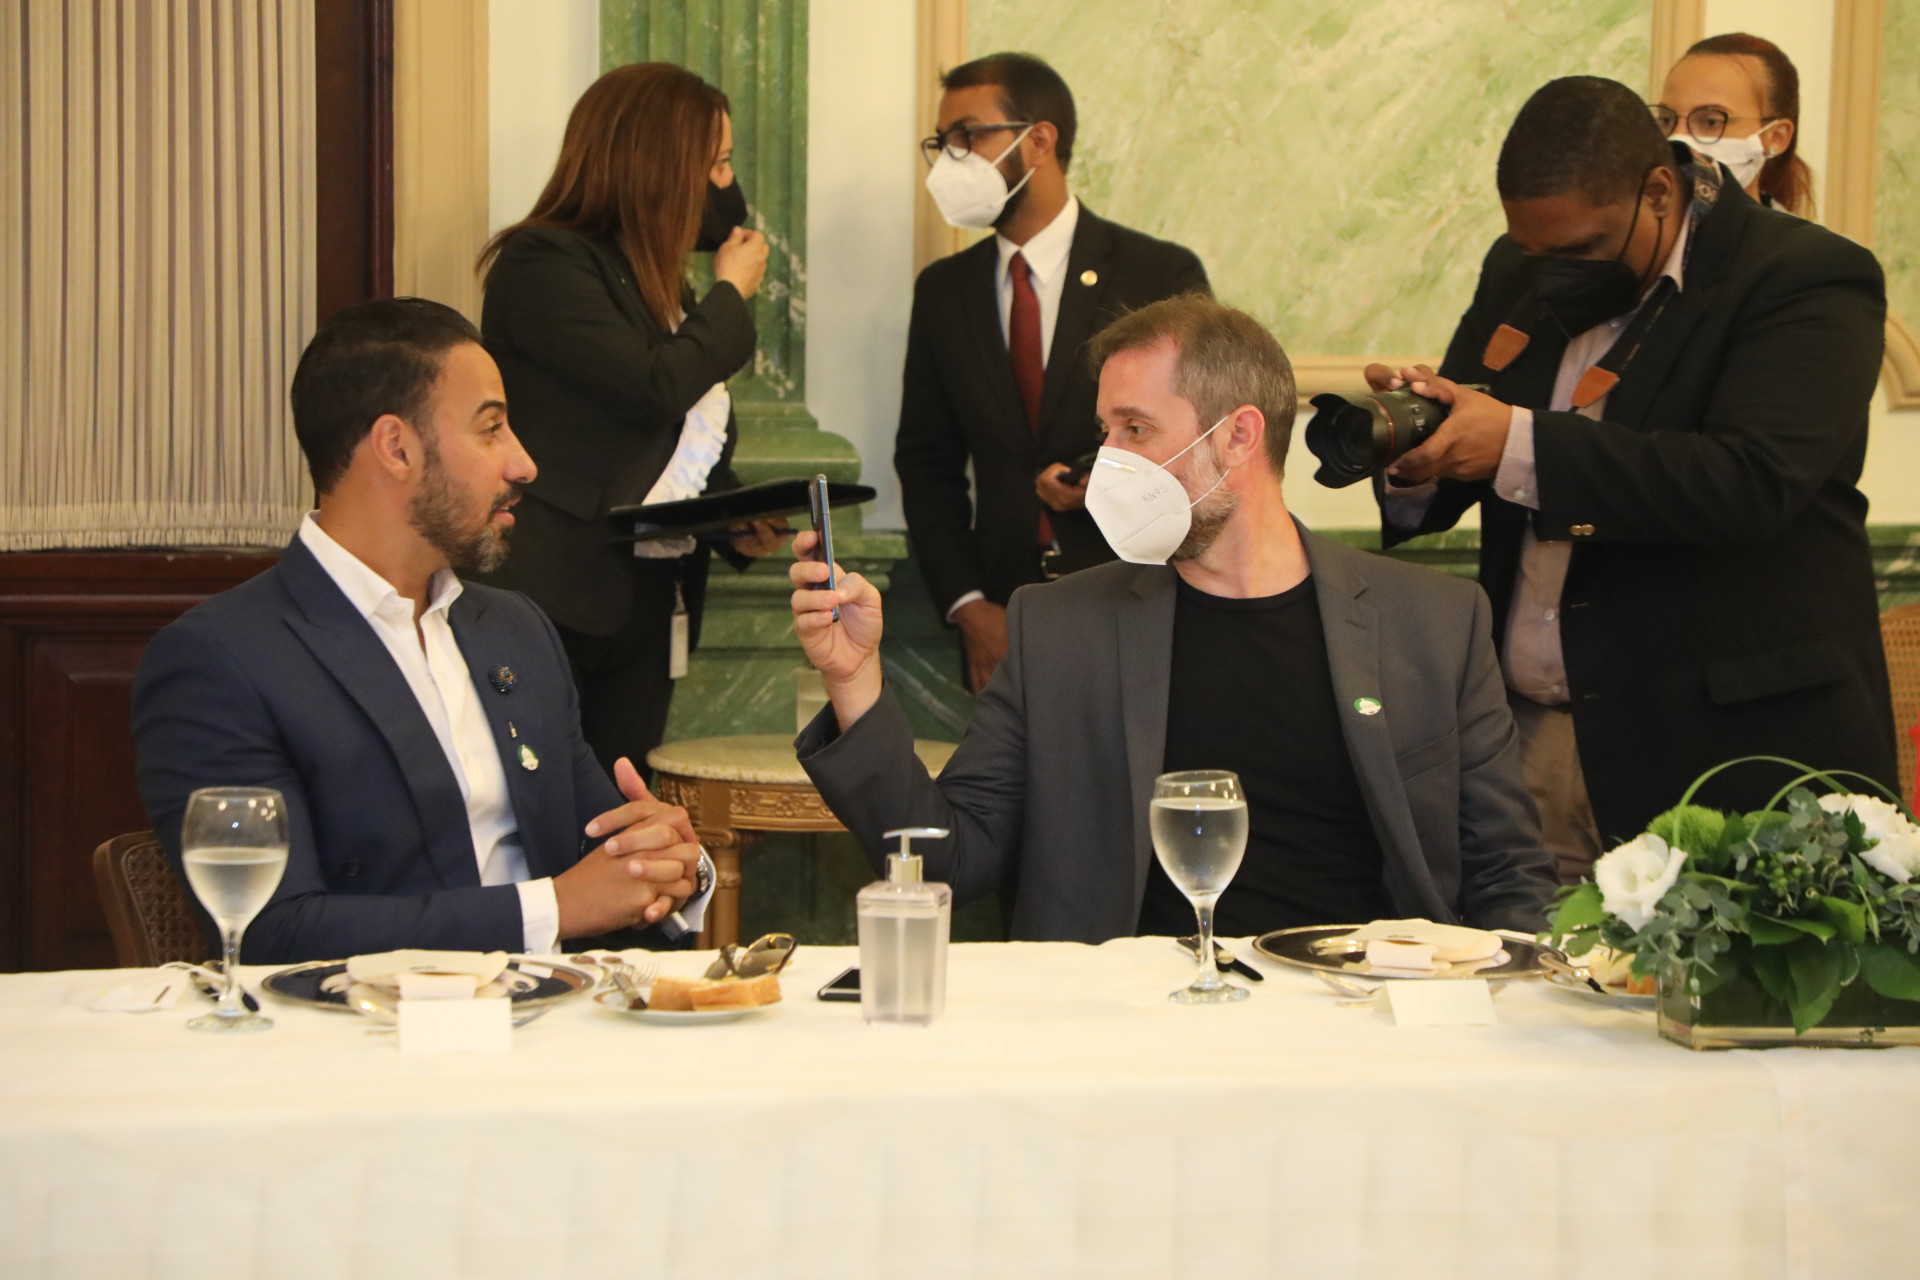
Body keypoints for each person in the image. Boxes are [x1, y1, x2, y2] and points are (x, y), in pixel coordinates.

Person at [792, 295, 1557, 942]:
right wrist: (854, 681)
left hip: (1359, 1025)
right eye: (1105, 432)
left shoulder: (1433, 622)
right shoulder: (1060, 629)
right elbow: (943, 862)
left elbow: (1508, 875)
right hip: (1136, 1034)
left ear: (1239, 436)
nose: (1108, 461)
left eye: (1136, 429)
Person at [1368, 76, 1899, 882]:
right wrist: (1417, 458)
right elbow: (1479, 431)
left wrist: (1513, 443)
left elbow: (1749, 481)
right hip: (1530, 744)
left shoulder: (1805, 276)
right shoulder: (1522, 265)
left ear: (1657, 193)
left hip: (1726, 757)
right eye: (1535, 252)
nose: (1554, 272)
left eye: (1582, 249)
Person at [132, 298, 714, 964]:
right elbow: (272, 933)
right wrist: (553, 908)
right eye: (491, 429)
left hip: (559, 1010)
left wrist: (667, 859)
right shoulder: (222, 658)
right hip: (363, 1024)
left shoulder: (514, 630)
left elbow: (604, 852)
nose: (524, 464)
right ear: (397, 448)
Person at [474, 63, 789, 780]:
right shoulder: (544, 262)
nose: (727, 185)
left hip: (649, 597)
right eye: (717, 164)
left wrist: (730, 515)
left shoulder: (658, 281)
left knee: (625, 806)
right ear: (661, 168)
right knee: (549, 804)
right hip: (557, 594)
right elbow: (655, 387)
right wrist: (732, 293)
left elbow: (662, 443)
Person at [897, 52, 1210, 694]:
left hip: (1138, 602)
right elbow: (926, 462)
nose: (951, 159)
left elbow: (1201, 437)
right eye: (942, 142)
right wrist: (969, 607)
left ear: (1039, 141)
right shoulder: (944, 291)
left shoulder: (1159, 274)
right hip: (1001, 620)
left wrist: (1111, 476)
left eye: (968, 136)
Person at [1655, 32, 1813, 216]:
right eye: (1666, 120)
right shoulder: (1631, 230)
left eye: (1711, 122)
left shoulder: (1795, 236)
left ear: (1776, 137)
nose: (1677, 140)